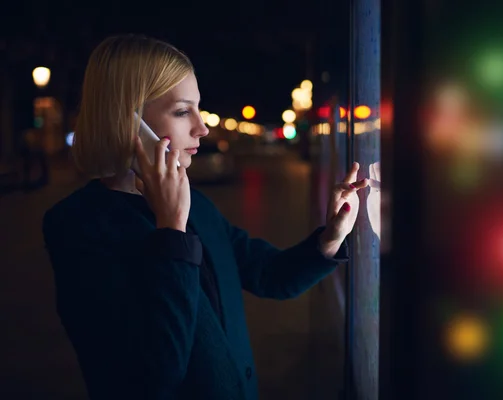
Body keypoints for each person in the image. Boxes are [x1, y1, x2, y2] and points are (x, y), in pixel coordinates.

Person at [42, 35, 368, 400]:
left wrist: (330, 237)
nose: (203, 128)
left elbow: (269, 274)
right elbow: (149, 378)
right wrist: (170, 230)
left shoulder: (197, 205)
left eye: (199, 109)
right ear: (129, 120)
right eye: (183, 112)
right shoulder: (78, 227)